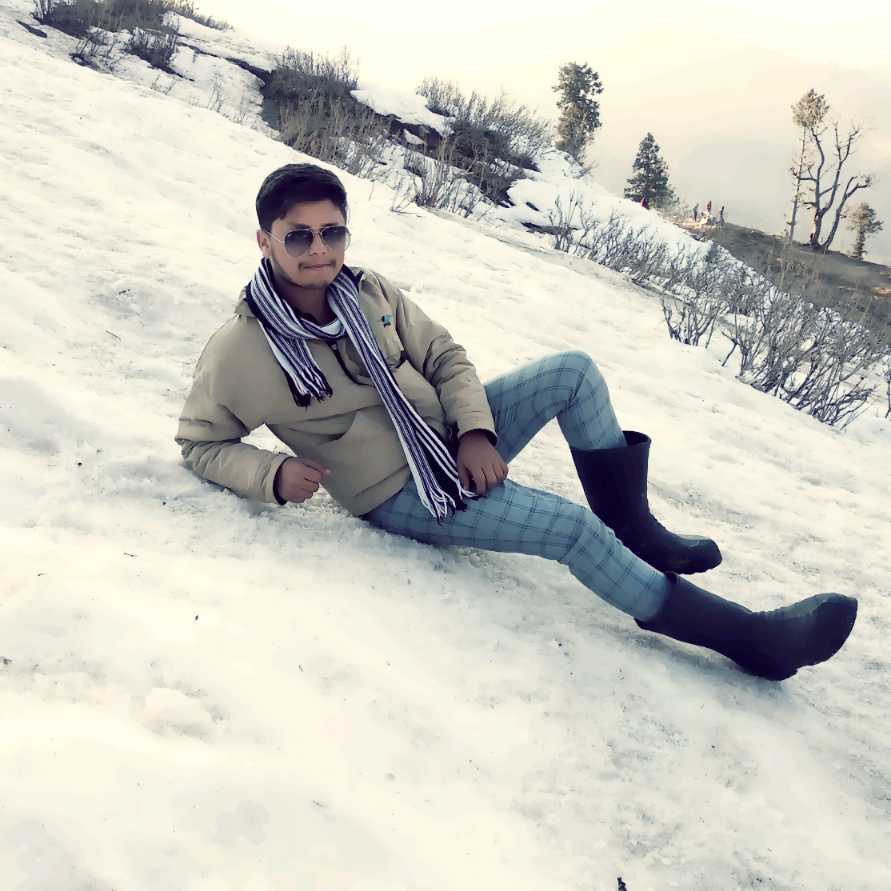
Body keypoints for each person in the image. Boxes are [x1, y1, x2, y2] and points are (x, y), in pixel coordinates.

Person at [175, 163, 857, 682]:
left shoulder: (367, 290)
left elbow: (443, 356)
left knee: (572, 371)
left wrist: (476, 432)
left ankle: (638, 536)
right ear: (265, 239)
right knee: (569, 529)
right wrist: (270, 473)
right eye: (299, 235)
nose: (319, 249)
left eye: (332, 232)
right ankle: (753, 641)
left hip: (449, 438)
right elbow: (200, 442)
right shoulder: (242, 348)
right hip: (400, 491)